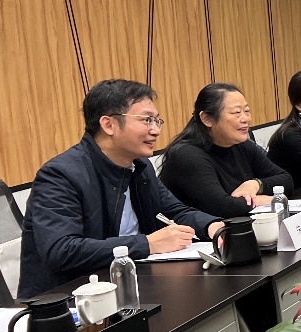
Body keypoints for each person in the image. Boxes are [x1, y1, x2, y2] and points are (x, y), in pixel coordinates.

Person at [19, 80, 224, 299]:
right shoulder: (60, 175)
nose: (156, 130)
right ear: (109, 125)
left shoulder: (140, 167)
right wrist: (147, 244)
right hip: (72, 300)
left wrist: (214, 227)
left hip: (132, 284)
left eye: (157, 120)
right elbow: (62, 250)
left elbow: (174, 211)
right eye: (146, 120)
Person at [160, 83, 293, 218]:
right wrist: (263, 200)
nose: (246, 119)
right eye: (236, 113)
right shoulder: (187, 155)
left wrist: (256, 184)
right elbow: (223, 207)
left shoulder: (242, 145)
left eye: (247, 111)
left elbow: (286, 180)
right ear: (206, 119)